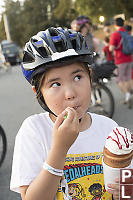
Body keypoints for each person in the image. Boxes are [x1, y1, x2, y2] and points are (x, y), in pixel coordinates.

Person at [10, 27, 123, 200]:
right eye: (55, 84)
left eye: (78, 77)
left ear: (90, 76)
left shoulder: (110, 129)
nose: (70, 93)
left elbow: (123, 187)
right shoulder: (34, 131)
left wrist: (125, 192)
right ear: (38, 92)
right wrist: (60, 148)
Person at [109, 17, 133, 108]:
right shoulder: (127, 33)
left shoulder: (115, 34)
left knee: (118, 79)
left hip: (120, 60)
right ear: (123, 24)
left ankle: (127, 95)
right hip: (129, 59)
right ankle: (129, 95)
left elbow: (111, 48)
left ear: (115, 25)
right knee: (127, 77)